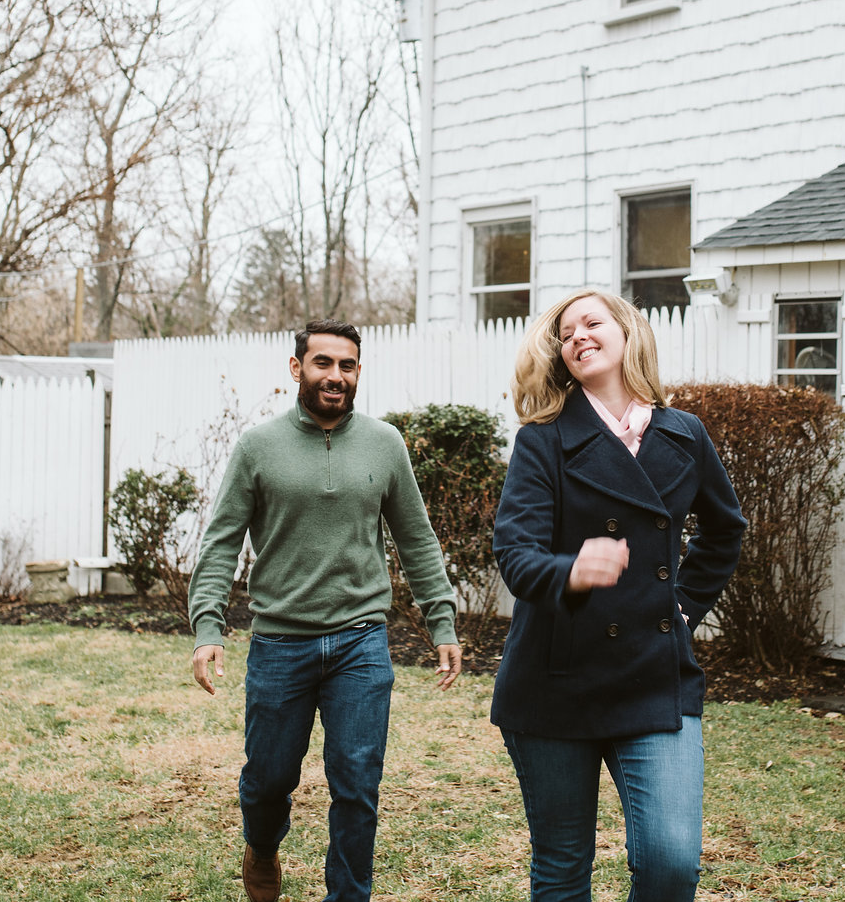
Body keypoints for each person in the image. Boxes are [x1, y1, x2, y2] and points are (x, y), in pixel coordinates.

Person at [187, 319, 463, 902]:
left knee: (358, 786)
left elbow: (416, 539)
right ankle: (261, 848)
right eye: (323, 363)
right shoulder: (258, 447)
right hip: (279, 643)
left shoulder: (384, 443)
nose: (335, 376)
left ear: (358, 372)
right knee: (267, 781)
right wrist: (208, 625)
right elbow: (220, 541)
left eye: (347, 365)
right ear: (297, 369)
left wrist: (442, 620)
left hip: (361, 642)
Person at [490, 289, 746, 902]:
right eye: (564, 333)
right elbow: (515, 554)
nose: (576, 335)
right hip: (555, 677)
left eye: (591, 322)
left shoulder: (685, 434)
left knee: (670, 863)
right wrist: (570, 572)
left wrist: (681, 606)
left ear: (627, 332)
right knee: (561, 870)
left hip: (654, 675)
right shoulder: (543, 440)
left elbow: (724, 528)